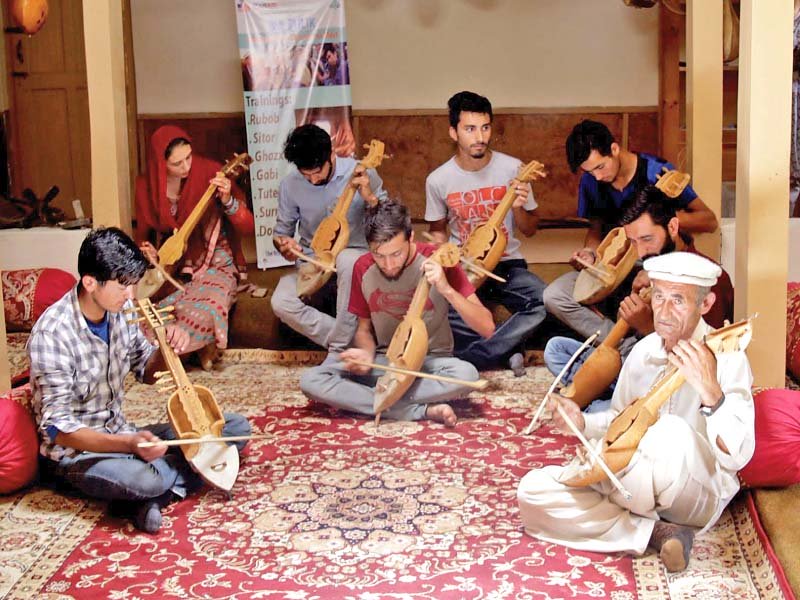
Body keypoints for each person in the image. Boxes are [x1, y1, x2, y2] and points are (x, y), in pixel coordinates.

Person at [518, 252, 754, 573]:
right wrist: (583, 422)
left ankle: (624, 515)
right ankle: (656, 533)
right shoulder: (643, 351)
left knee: (668, 431)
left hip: (696, 492)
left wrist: (711, 391)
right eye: (658, 297)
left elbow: (738, 457)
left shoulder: (727, 356)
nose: (664, 312)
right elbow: (621, 422)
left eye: (678, 300)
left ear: (706, 304)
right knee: (534, 490)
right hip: (635, 478)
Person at [29, 228, 251, 534]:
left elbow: (146, 371)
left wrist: (166, 347)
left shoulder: (120, 309)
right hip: (76, 456)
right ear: (90, 282)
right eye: (123, 286)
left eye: (133, 286)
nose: (131, 295)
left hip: (123, 434)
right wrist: (128, 444)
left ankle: (147, 500)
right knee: (146, 478)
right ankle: (156, 489)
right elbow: (58, 430)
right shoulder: (52, 334)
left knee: (235, 428)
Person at [300, 200, 495, 426]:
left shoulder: (438, 259)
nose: (389, 264)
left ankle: (378, 401)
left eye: (396, 254)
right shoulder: (362, 267)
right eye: (379, 255)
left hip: (432, 363)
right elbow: (363, 329)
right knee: (312, 380)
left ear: (411, 238)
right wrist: (365, 352)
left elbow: (487, 327)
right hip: (386, 361)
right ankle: (417, 410)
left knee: (467, 376)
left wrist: (446, 289)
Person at [543, 186, 734, 410]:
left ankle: (609, 405)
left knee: (599, 409)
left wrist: (646, 327)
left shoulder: (704, 280)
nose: (641, 252)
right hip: (633, 358)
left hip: (668, 380)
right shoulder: (647, 267)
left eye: (647, 239)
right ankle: (607, 398)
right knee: (555, 349)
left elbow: (703, 359)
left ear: (672, 227)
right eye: (633, 242)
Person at [544, 120, 718, 337]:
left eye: (600, 167)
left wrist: (662, 219)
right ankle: (617, 343)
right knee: (555, 295)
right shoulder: (591, 181)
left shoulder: (656, 171)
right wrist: (590, 253)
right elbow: (595, 230)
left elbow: (709, 221)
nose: (597, 176)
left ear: (614, 149)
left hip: (653, 260)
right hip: (613, 264)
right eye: (589, 172)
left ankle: (633, 343)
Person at [425, 91, 546, 375]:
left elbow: (530, 229)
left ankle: (480, 356)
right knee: (436, 310)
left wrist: (517, 208)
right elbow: (437, 233)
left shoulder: (514, 169)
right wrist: (440, 251)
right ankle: (510, 348)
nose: (479, 136)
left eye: (485, 127)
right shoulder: (438, 180)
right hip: (464, 268)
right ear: (453, 132)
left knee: (545, 298)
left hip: (507, 264)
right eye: (470, 129)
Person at [135, 125, 255, 370]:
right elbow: (142, 237)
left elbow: (248, 226)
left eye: (188, 157)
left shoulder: (210, 172)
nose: (186, 167)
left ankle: (179, 347)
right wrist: (146, 252)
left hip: (217, 264)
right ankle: (189, 347)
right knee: (146, 316)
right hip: (173, 267)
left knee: (209, 308)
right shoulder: (146, 186)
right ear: (161, 163)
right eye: (176, 163)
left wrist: (228, 200)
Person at [272, 123, 387, 352]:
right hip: (314, 264)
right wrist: (284, 244)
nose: (313, 180)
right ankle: (353, 340)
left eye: (317, 172)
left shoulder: (361, 172)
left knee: (345, 259)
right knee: (280, 301)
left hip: (356, 261)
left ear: (331, 155)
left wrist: (370, 198)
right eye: (306, 175)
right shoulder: (290, 185)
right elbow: (281, 234)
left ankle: (338, 347)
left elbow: (391, 224)